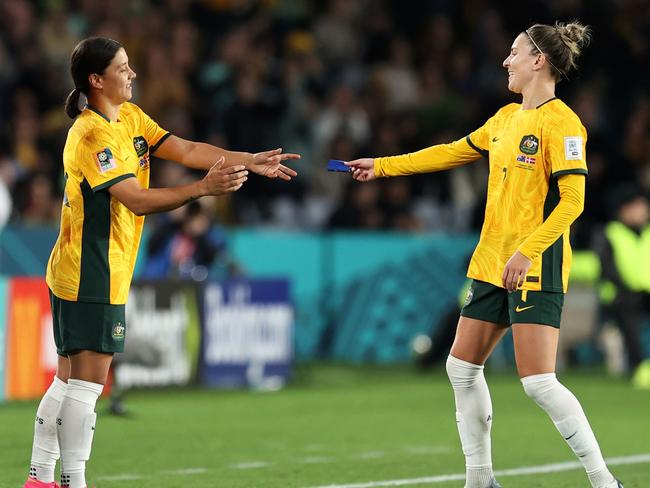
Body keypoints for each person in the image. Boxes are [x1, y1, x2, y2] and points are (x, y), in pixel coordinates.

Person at [347, 22, 623, 488]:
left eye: (513, 53)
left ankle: (604, 482)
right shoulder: (504, 119)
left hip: (534, 263)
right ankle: (480, 480)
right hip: (493, 261)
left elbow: (573, 203)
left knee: (537, 382)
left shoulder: (563, 124)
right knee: (460, 367)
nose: (505, 61)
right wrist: (383, 166)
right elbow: (452, 152)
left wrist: (528, 252)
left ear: (538, 60)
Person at [24, 37, 299, 488]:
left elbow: (188, 151)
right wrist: (201, 190)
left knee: (69, 378)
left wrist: (249, 159)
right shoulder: (92, 134)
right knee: (86, 385)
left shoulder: (129, 117)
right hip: (91, 270)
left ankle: (38, 479)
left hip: (88, 269)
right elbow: (133, 199)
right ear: (97, 80)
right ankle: (72, 480)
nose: (132, 74)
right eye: (123, 68)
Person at [593, 184, 650, 387]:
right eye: (637, 206)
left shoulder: (647, 233)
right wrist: (627, 287)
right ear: (623, 209)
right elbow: (608, 268)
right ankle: (640, 367)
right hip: (620, 294)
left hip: (646, 291)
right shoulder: (610, 233)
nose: (643, 210)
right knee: (629, 320)